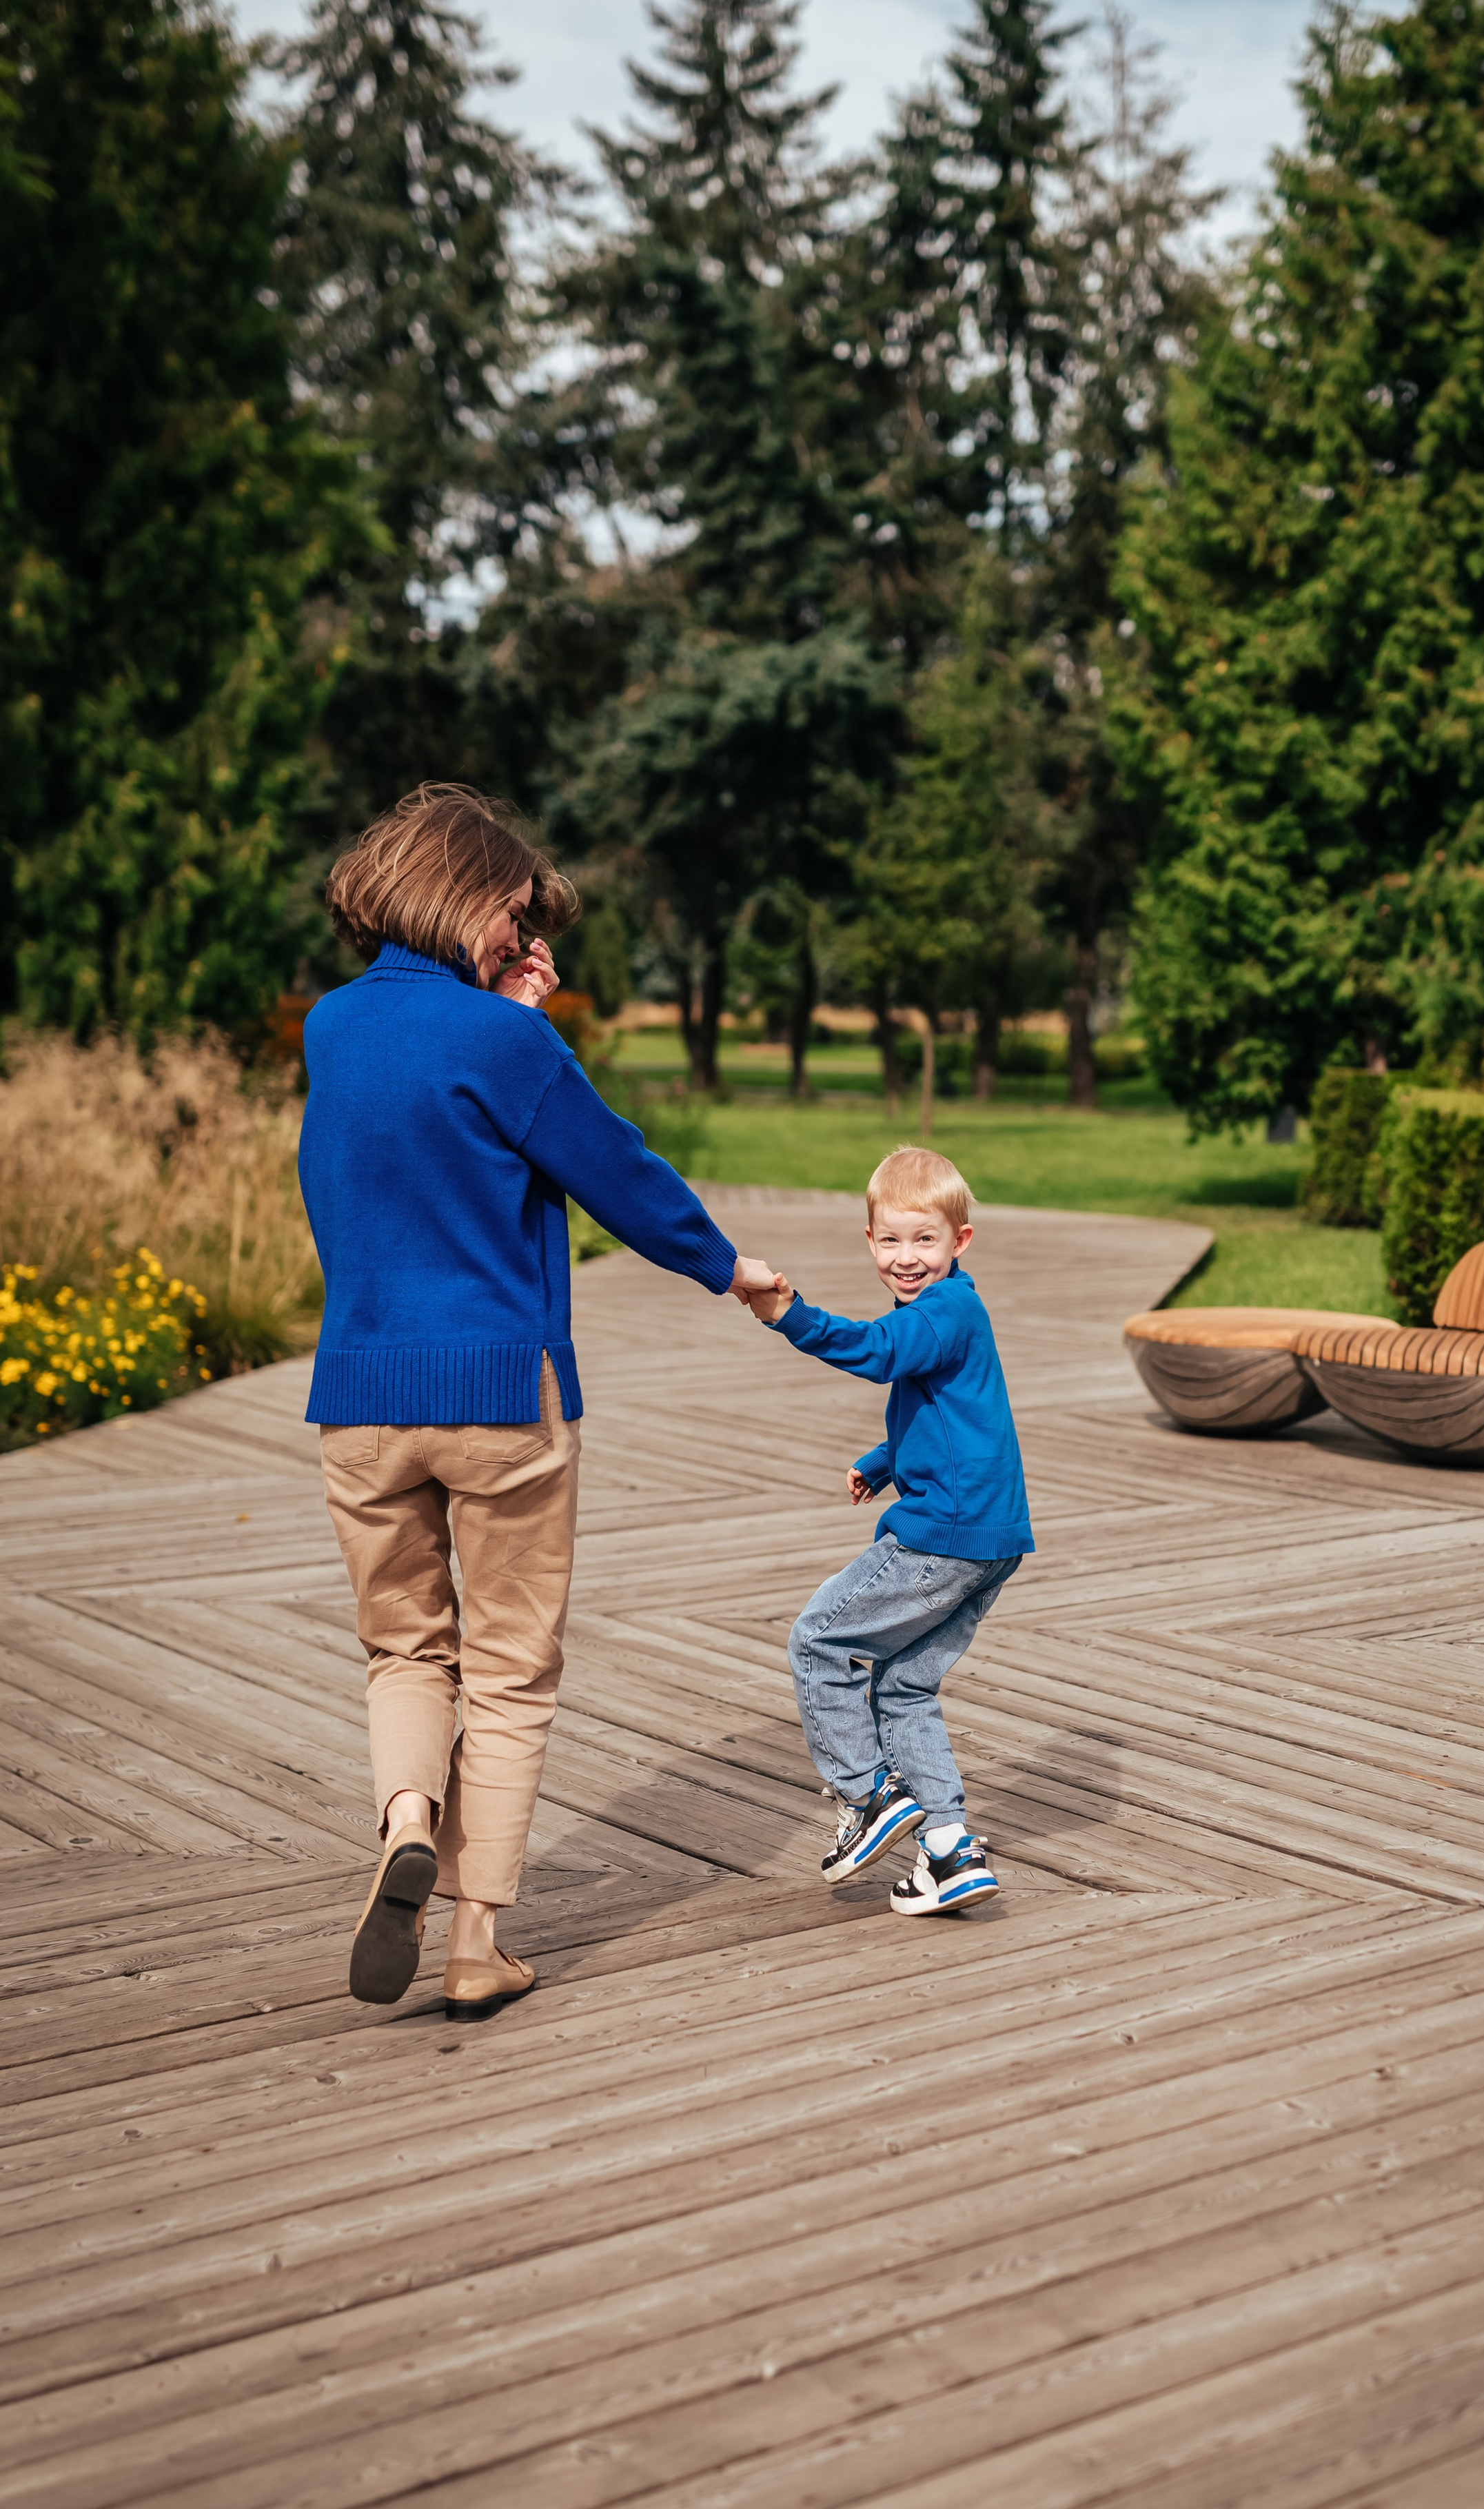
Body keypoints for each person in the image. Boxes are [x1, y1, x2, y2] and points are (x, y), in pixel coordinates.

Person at [298, 784, 777, 2021]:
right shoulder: (510, 1043)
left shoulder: (333, 1029)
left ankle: (407, 1820)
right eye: (515, 916)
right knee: (511, 1668)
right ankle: (480, 1942)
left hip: (358, 1399)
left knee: (404, 1648)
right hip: (502, 1397)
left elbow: (383, 1162)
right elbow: (618, 1171)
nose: (526, 941)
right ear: (464, 895)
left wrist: (506, 1014)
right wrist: (732, 1268)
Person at [746, 1148, 1033, 1914]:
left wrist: (789, 1313)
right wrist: (884, 1460)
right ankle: (947, 1850)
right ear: (870, 1241)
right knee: (904, 1685)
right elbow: (949, 1409)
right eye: (892, 1242)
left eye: (925, 1241)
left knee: (819, 1641)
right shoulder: (950, 1312)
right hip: (990, 1534)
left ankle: (869, 1795)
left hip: (944, 1532)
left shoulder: (945, 1310)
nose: (908, 1259)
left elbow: (878, 1355)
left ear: (960, 1241)